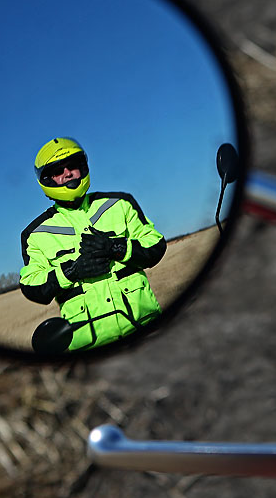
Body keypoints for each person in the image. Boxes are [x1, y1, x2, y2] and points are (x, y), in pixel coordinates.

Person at [19, 137, 166, 352]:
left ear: (83, 168)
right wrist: (71, 271)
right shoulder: (35, 234)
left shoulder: (120, 204)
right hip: (89, 350)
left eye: (73, 166)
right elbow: (32, 285)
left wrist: (117, 248)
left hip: (147, 330)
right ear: (48, 180)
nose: (68, 173)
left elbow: (155, 245)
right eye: (58, 170)